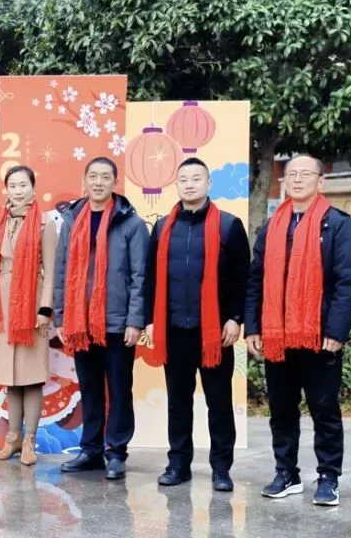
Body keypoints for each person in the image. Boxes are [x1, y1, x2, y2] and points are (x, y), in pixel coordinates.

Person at [246, 155, 351, 506]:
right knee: (281, 409)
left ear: (320, 181)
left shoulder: (337, 224)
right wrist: (254, 327)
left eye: (305, 174)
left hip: (319, 336)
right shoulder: (273, 225)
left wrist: (336, 331)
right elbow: (256, 279)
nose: (297, 179)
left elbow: (348, 283)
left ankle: (329, 476)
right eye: (291, 174)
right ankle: (287, 472)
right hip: (277, 336)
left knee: (324, 409)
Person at [145, 158, 250, 492]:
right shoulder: (163, 227)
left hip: (215, 332)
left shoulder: (229, 226)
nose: (189, 184)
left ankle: (221, 468)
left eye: (196, 179)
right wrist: (149, 320)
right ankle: (178, 464)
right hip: (174, 330)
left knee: (219, 403)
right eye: (183, 179)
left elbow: (242, 279)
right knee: (178, 402)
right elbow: (150, 279)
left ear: (208, 183)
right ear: (176, 185)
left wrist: (235, 318)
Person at [54, 157, 148, 480]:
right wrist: (60, 317)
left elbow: (140, 276)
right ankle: (91, 450)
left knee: (119, 390)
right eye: (92, 176)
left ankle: (117, 452)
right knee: (90, 389)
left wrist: (135, 320)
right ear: (84, 180)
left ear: (114, 183)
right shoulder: (71, 221)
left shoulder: (131, 224)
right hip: (80, 323)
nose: (98, 182)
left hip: (117, 323)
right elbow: (62, 271)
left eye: (105, 177)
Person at [0, 165, 58, 466]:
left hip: (31, 305)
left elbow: (51, 269)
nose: (18, 191)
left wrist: (45, 308)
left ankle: (29, 441)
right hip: (1, 306)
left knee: (31, 378)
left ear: (33, 188)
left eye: (23, 185)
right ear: (6, 189)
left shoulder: (45, 224)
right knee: (10, 378)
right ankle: (11, 438)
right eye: (13, 185)